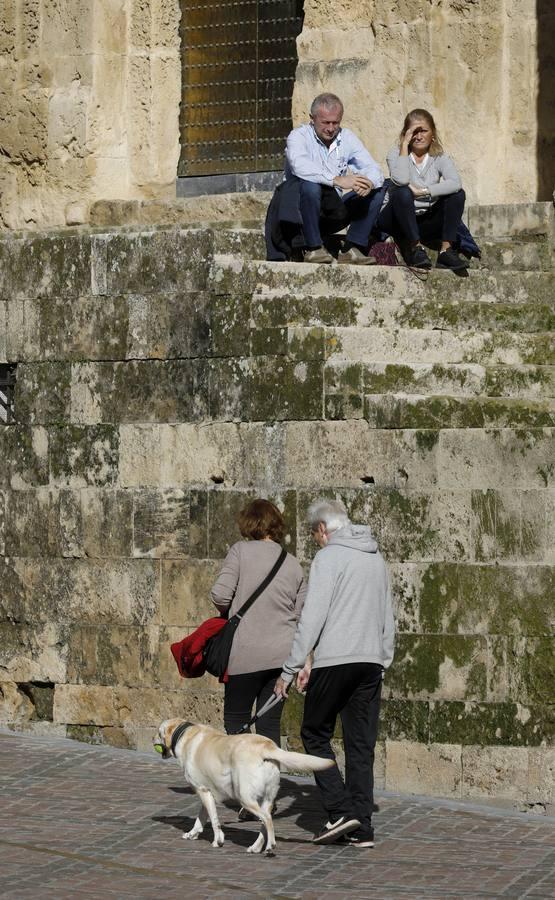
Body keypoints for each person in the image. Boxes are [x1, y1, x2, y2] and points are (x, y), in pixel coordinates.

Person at [274, 499, 395, 848]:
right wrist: (382, 661)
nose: (317, 543)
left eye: (315, 536)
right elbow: (388, 616)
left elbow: (312, 617)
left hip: (336, 661)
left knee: (314, 732)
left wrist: (291, 668)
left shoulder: (328, 558)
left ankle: (340, 810)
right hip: (370, 663)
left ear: (323, 529)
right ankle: (362, 826)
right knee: (361, 744)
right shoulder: (376, 559)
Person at [211, 498, 306, 747]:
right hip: (281, 657)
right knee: (268, 724)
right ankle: (268, 781)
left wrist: (229, 611)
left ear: (249, 524)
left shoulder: (240, 552)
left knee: (236, 720)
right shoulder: (293, 563)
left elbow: (220, 595)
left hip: (245, 653)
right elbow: (300, 615)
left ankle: (242, 781)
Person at [266, 93, 385, 265]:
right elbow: (300, 165)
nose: (330, 128)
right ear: (312, 119)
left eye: (335, 122)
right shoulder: (298, 136)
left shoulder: (347, 138)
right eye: (325, 122)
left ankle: (352, 248)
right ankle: (314, 248)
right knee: (311, 184)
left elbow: (374, 169)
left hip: (333, 210)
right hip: (301, 213)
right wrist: (337, 179)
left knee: (379, 188)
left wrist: (369, 182)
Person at [377, 108, 469, 271]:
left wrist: (423, 191)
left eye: (423, 131)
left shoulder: (440, 157)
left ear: (432, 133)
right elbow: (402, 180)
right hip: (396, 218)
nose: (418, 137)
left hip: (425, 218)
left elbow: (455, 183)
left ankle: (446, 251)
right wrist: (404, 145)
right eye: (414, 132)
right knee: (402, 192)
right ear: (406, 134)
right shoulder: (395, 154)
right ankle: (416, 247)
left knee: (457, 195)